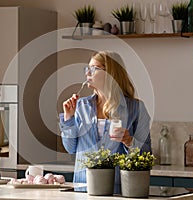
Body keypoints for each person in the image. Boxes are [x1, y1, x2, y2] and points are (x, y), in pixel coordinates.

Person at [59, 50, 152, 187]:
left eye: (94, 69)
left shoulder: (136, 108)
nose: (87, 73)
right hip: (83, 187)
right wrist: (69, 118)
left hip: (117, 189)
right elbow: (70, 148)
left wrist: (129, 141)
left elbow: (147, 153)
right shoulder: (81, 106)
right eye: (87, 69)